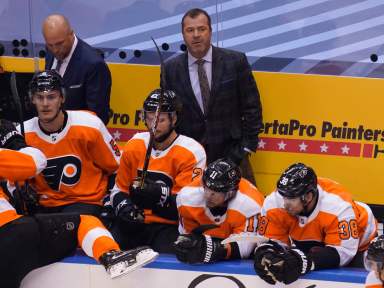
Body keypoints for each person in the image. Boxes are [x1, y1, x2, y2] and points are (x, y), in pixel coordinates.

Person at [0, 119, 158, 288]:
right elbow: (36, 162)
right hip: (8, 232)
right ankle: (111, 256)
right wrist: (14, 142)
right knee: (84, 221)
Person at [164, 8, 262, 183]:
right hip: (190, 160)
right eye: (190, 30)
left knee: (245, 208)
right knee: (191, 209)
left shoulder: (235, 61)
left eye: (201, 29)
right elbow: (169, 115)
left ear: (210, 31)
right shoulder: (170, 69)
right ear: (183, 34)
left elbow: (252, 107)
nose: (196, 35)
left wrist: (246, 148)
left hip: (234, 157)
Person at [106, 88, 206, 253]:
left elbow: (188, 206)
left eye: (160, 120)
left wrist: (157, 194)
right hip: (134, 223)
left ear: (174, 119)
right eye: (149, 118)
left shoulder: (192, 152)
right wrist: (125, 207)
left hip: (168, 227)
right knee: (109, 248)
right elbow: (119, 190)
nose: (153, 126)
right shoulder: (134, 145)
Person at [254, 163, 377, 285]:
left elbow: (344, 252)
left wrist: (303, 260)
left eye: (291, 198)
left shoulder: (338, 207)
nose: (285, 204)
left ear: (308, 197)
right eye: (283, 196)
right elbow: (272, 240)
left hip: (360, 245)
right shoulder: (273, 203)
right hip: (314, 241)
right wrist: (267, 253)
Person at [20, 70, 120, 216]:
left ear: (62, 97)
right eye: (40, 97)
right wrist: (20, 191)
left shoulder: (90, 125)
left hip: (85, 203)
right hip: (44, 206)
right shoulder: (22, 133)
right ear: (32, 99)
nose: (45, 104)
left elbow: (117, 168)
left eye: (51, 97)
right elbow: (12, 179)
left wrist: (111, 202)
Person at [174, 158, 264, 264]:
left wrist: (216, 249)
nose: (208, 195)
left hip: (236, 259)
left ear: (230, 192)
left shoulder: (250, 204)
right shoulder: (186, 198)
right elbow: (187, 238)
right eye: (206, 188)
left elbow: (244, 248)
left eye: (215, 192)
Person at [42, 14, 111, 124]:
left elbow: (99, 117)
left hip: (78, 135)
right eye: (50, 45)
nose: (55, 50)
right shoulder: (50, 50)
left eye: (59, 44)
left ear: (71, 34)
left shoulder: (93, 64)